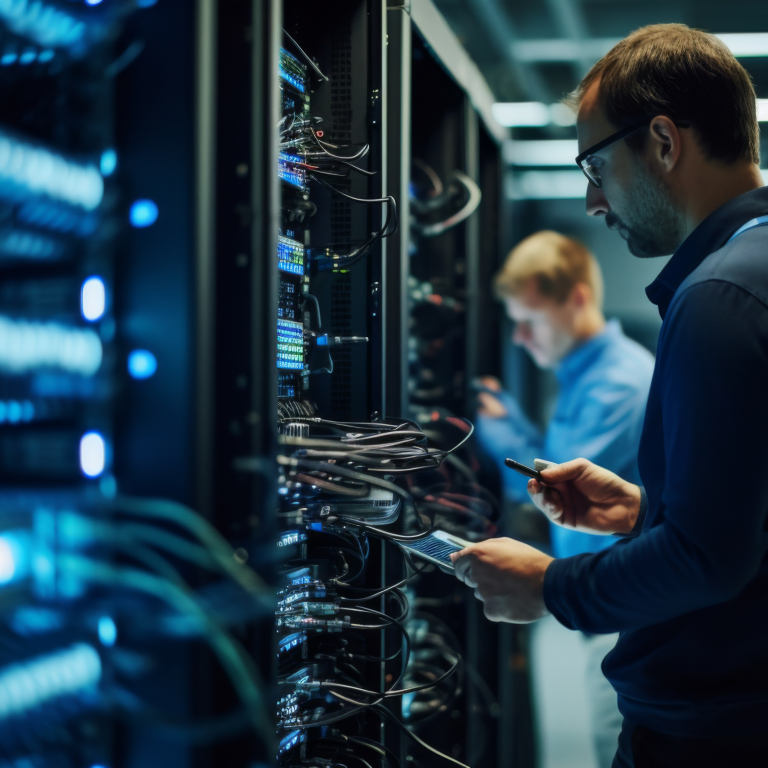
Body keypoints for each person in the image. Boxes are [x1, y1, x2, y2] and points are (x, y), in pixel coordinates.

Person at [452, 23, 768, 768]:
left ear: (662, 141)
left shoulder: (720, 294)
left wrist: (552, 588)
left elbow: (707, 562)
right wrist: (644, 512)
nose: (593, 200)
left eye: (595, 164)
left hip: (710, 735)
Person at [474, 231, 654, 767]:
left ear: (576, 298)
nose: (521, 339)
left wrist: (501, 438)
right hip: (606, 610)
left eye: (530, 320)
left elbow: (558, 489)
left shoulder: (618, 383)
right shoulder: (588, 378)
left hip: (623, 615)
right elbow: (561, 461)